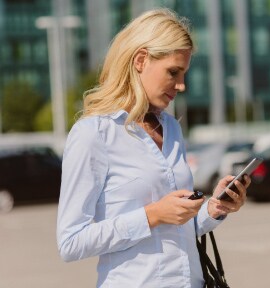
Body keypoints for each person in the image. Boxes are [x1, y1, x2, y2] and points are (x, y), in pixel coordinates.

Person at [56, 8, 250, 288]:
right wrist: (152, 215)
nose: (181, 85)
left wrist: (216, 207)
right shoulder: (93, 134)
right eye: (173, 72)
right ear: (141, 60)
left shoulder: (171, 129)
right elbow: (70, 243)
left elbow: (178, 230)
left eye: (184, 74)